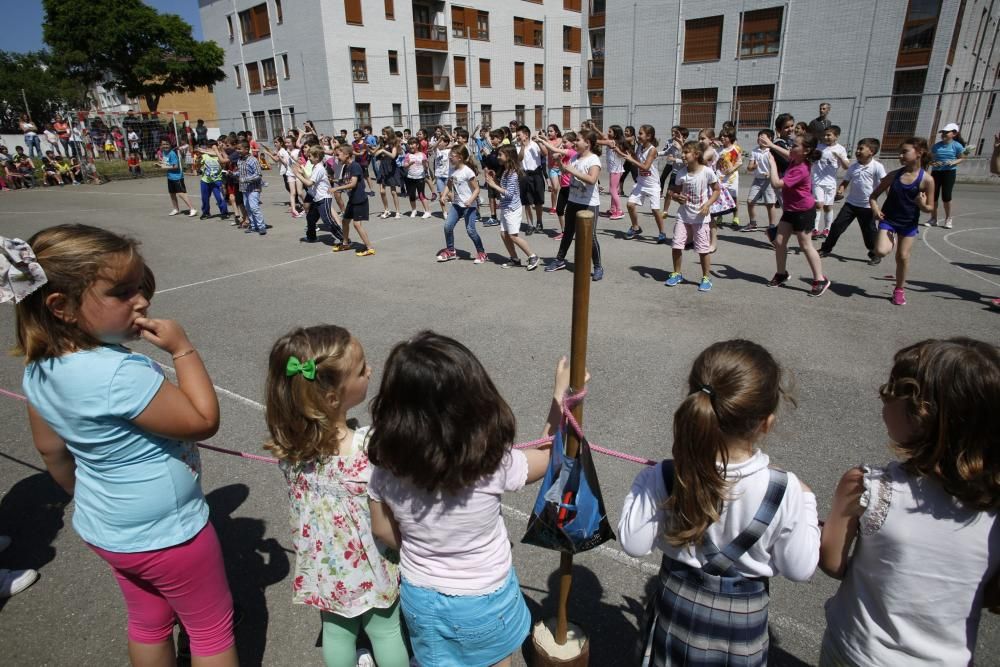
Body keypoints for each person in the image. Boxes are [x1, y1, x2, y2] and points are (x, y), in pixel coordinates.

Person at [15, 224, 238, 666]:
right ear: (61, 307)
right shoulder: (118, 374)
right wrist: (183, 350)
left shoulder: (38, 367)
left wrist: (84, 494)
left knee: (148, 620)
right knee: (211, 629)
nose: (142, 302)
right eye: (123, 293)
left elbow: (51, 451)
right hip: (169, 534)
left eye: (140, 288)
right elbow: (202, 420)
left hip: (109, 528)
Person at [367, 332, 577, 667]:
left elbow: (381, 529)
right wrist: (558, 400)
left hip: (420, 596)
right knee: (496, 662)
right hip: (484, 599)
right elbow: (549, 453)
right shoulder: (491, 465)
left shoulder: (386, 468)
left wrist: (424, 544)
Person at [620, 339, 819, 667]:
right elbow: (800, 569)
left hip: (674, 624)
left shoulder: (665, 475)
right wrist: (807, 501)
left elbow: (634, 543)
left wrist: (645, 482)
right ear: (766, 423)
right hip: (740, 638)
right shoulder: (786, 491)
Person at [819, 338, 1000, 666]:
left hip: (857, 651)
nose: (882, 398)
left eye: (890, 392)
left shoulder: (865, 486)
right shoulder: (993, 508)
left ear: (922, 414)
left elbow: (832, 562)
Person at [264, 325, 409, 667]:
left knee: (337, 630)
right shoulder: (369, 445)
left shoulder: (290, 448)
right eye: (361, 370)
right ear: (332, 398)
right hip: (372, 559)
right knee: (385, 629)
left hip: (324, 562)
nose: (369, 371)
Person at [869, 137, 935, 306]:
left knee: (903, 257)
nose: (900, 155)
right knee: (881, 251)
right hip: (889, 220)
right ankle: (890, 238)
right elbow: (873, 196)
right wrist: (876, 209)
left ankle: (899, 289)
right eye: (900, 152)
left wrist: (921, 204)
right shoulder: (893, 176)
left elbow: (930, 208)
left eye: (905, 151)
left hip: (908, 224)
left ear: (919, 153)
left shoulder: (927, 180)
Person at [766, 133, 832, 297]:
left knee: (805, 245)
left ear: (806, 150)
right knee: (779, 242)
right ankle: (781, 274)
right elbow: (788, 154)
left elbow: (776, 183)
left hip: (803, 211)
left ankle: (820, 279)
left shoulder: (801, 168)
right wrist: (771, 145)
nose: (791, 148)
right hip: (790, 210)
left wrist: (772, 163)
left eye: (795, 145)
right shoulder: (796, 159)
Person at [545, 129, 605, 281]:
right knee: (568, 232)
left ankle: (598, 266)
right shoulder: (575, 158)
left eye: (578, 140)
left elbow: (592, 180)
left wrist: (572, 170)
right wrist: (559, 161)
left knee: (590, 236)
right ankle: (559, 260)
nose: (575, 143)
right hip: (573, 200)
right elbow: (566, 171)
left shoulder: (594, 160)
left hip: (589, 204)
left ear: (588, 143)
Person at [664, 140, 720, 292]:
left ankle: (706, 277)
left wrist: (708, 204)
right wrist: (676, 197)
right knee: (676, 245)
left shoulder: (707, 172)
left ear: (696, 155)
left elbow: (716, 190)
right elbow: (674, 192)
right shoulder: (681, 173)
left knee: (703, 249)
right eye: (682, 152)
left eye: (686, 152)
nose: (682, 155)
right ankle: (677, 273)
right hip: (683, 216)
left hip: (701, 218)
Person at [819, 138, 886, 264]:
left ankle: (875, 253)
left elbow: (885, 183)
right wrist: (841, 189)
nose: (858, 151)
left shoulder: (877, 167)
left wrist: (885, 202)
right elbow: (846, 181)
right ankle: (825, 249)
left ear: (871, 151)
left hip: (867, 206)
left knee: (869, 232)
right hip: (850, 204)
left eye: (861, 149)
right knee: (836, 226)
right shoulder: (853, 167)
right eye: (857, 149)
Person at [484, 144, 540, 270]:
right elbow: (504, 188)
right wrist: (495, 179)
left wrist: (493, 185)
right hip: (505, 207)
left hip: (512, 209)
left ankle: (532, 256)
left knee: (513, 236)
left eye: (500, 155)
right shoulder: (505, 172)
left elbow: (509, 194)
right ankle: (514, 258)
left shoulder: (513, 174)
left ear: (508, 156)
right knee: (504, 234)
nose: (498, 157)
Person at [436, 145, 485, 264]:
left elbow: (477, 189)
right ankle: (451, 251)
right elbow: (449, 184)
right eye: (449, 156)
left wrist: (470, 200)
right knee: (447, 226)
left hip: (470, 207)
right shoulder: (451, 169)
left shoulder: (468, 172)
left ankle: (481, 253)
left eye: (452, 156)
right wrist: (443, 195)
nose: (449, 158)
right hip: (457, 205)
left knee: (470, 230)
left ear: (460, 157)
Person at [618, 124, 668, 243]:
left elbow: (645, 166)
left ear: (649, 136)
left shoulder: (652, 149)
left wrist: (631, 160)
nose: (638, 136)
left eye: (641, 133)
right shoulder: (640, 147)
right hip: (641, 183)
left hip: (652, 185)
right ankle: (636, 227)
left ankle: (662, 232)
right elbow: (637, 159)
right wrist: (626, 154)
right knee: (630, 205)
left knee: (655, 210)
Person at [292, 146, 344, 244]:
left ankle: (344, 239)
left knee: (327, 220)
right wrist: (301, 172)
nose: (308, 158)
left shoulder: (319, 168)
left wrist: (297, 175)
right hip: (316, 198)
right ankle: (311, 237)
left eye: (310, 156)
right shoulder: (315, 167)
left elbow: (309, 183)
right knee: (310, 218)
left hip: (323, 198)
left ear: (316, 157)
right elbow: (310, 179)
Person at [330, 144, 375, 257]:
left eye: (338, 155)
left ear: (347, 155)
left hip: (359, 199)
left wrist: (336, 188)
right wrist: (332, 180)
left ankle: (369, 248)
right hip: (352, 199)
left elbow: (353, 183)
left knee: (356, 224)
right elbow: (345, 181)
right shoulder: (346, 167)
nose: (337, 158)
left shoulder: (355, 166)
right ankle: (345, 243)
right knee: (345, 221)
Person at [811, 126, 850, 238]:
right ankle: (814, 228)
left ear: (836, 136)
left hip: (830, 182)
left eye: (829, 135)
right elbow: (811, 159)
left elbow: (846, 166)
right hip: (817, 181)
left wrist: (839, 157)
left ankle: (827, 229)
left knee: (828, 207)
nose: (826, 137)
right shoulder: (819, 147)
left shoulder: (840, 149)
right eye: (824, 135)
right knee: (818, 204)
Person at [924, 122, 965, 229]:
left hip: (949, 173)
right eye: (943, 132)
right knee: (934, 197)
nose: (944, 134)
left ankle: (948, 219)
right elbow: (930, 160)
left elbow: (962, 158)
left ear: (954, 134)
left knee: (946, 197)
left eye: (947, 132)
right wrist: (933, 163)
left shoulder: (957, 146)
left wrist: (953, 162)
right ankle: (933, 219)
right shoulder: (936, 146)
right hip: (936, 173)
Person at [744, 129, 777, 233]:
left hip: (769, 181)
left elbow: (776, 166)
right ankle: (753, 224)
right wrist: (753, 166)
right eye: (759, 136)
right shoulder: (755, 151)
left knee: (770, 204)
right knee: (750, 201)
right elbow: (749, 168)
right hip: (757, 180)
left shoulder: (772, 151)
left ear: (770, 139)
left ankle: (772, 226)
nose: (759, 138)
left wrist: (770, 173)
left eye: (763, 137)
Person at [515, 125, 546, 235]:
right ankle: (530, 224)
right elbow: (519, 159)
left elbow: (545, 153)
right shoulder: (517, 146)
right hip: (525, 175)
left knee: (538, 201)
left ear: (526, 135)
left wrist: (540, 141)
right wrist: (522, 147)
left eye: (519, 135)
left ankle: (539, 222)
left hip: (536, 174)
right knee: (527, 202)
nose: (517, 137)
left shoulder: (535, 144)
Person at [158, 139, 198, 217]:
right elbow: (165, 162)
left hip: (177, 177)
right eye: (163, 144)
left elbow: (176, 166)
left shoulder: (172, 153)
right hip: (170, 177)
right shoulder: (164, 152)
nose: (165, 146)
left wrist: (163, 166)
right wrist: (160, 163)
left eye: (167, 144)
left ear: (170, 145)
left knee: (181, 193)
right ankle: (176, 209)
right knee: (172, 193)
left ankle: (192, 209)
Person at [237, 140, 267, 235]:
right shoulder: (240, 160)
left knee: (254, 208)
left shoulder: (253, 160)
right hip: (244, 188)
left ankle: (261, 226)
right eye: (237, 149)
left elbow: (258, 174)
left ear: (246, 149)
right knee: (248, 208)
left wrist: (245, 179)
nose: (238, 151)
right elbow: (241, 173)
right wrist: (233, 174)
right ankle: (254, 226)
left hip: (254, 188)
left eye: (239, 149)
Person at [373, 127, 402, 219]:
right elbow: (374, 153)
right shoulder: (382, 143)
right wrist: (369, 149)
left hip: (391, 167)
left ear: (390, 134)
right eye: (383, 133)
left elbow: (393, 156)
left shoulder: (394, 143)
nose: (383, 135)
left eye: (385, 134)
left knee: (393, 191)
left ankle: (397, 211)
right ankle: (386, 210)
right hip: (383, 167)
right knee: (382, 191)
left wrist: (383, 151)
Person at [598, 125, 626, 221]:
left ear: (615, 134)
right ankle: (613, 209)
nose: (607, 133)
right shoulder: (615, 141)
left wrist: (587, 137)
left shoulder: (611, 142)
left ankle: (619, 210)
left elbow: (598, 141)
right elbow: (603, 136)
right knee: (614, 190)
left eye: (610, 132)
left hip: (615, 171)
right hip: (616, 170)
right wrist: (594, 129)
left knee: (612, 190)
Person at [197, 143, 229, 221]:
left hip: (217, 180)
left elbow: (224, 162)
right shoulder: (204, 156)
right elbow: (199, 164)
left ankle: (224, 212)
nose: (210, 150)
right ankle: (206, 212)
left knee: (220, 198)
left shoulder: (219, 156)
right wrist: (198, 161)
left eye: (213, 148)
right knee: (205, 198)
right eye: (209, 148)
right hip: (205, 180)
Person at [401, 138, 432, 218]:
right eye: (409, 144)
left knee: (421, 195)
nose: (411, 145)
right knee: (411, 195)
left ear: (417, 145)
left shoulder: (422, 155)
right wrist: (409, 164)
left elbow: (426, 167)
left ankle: (427, 211)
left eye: (412, 144)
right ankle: (414, 210)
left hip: (420, 178)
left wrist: (425, 164)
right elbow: (404, 165)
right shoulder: (408, 155)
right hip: (410, 178)